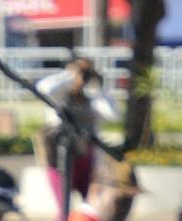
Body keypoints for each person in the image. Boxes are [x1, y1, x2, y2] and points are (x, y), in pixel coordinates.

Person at [36, 55, 121, 207]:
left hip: (86, 157)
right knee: (63, 207)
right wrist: (69, 75)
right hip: (59, 156)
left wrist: (100, 87)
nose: (82, 78)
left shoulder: (92, 99)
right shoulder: (59, 97)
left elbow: (112, 114)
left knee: (89, 205)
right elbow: (44, 88)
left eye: (87, 74)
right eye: (80, 73)